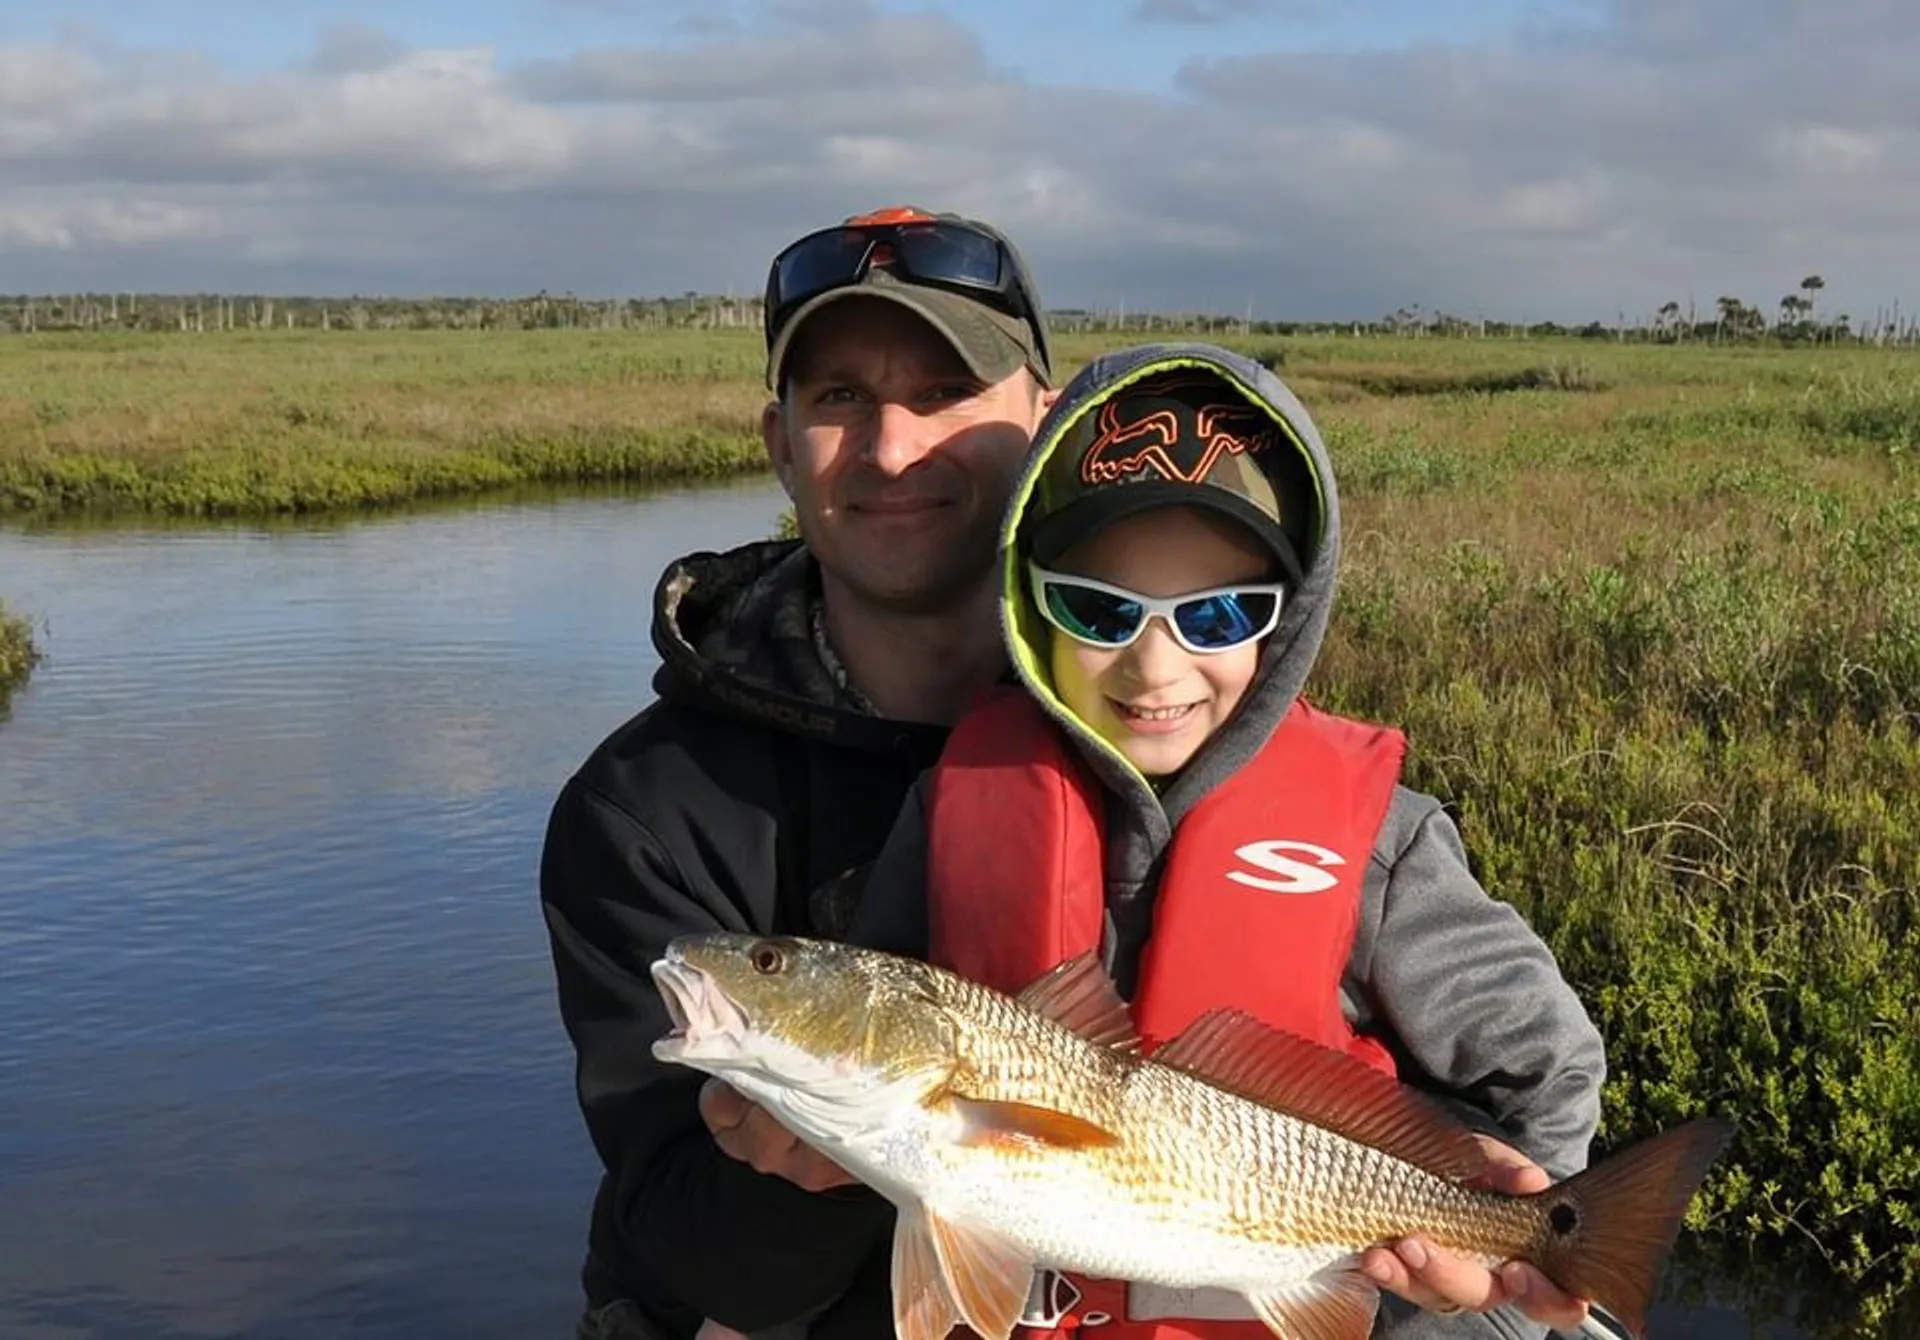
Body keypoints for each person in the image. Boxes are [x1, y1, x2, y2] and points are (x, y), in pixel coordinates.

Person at [844, 342, 1611, 1340]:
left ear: (1282, 625)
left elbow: (1548, 1065)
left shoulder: (1385, 838)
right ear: (1030, 601)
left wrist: (1480, 1308)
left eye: (1217, 615)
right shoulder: (950, 801)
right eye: (1099, 608)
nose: (1155, 666)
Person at [538, 205, 1062, 1340]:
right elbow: (679, 1237)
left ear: (1045, 423)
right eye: (838, 399)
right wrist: (813, 1169)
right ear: (779, 442)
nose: (888, 448)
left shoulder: (1174, 719)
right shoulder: (642, 813)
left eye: (945, 392)